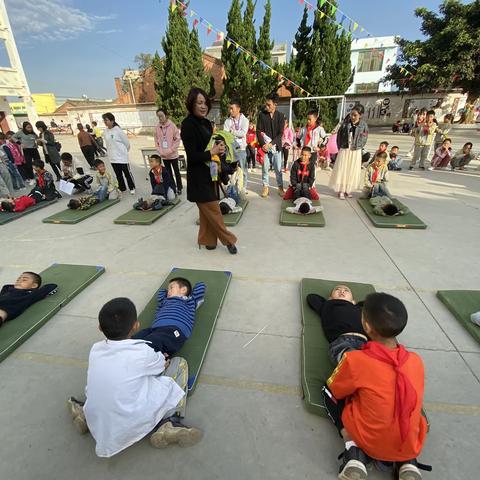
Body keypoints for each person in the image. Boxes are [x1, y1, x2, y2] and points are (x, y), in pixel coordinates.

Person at [67, 297, 202, 457]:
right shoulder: (142, 352)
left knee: (110, 382)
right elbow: (162, 364)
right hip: (132, 421)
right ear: (136, 326)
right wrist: (162, 361)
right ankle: (170, 422)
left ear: (99, 328)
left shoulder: (95, 349)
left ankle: (85, 414)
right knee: (179, 364)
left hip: (98, 420)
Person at [323, 293, 429, 480]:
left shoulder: (356, 360)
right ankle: (407, 463)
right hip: (409, 443)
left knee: (329, 390)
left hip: (369, 439)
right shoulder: (416, 361)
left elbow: (338, 389)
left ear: (367, 327)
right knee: (405, 402)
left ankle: (353, 450)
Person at [180, 87, 238, 254]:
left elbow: (210, 145)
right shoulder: (187, 125)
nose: (203, 106)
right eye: (199, 102)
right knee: (214, 210)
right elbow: (192, 156)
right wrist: (211, 152)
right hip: (198, 177)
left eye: (205, 102)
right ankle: (229, 241)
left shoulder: (206, 123)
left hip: (211, 173)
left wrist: (219, 148)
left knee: (206, 213)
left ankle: (209, 240)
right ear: (191, 104)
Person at [133, 277, 205, 355]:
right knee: (133, 340)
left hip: (175, 330)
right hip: (154, 329)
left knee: (154, 341)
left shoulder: (189, 301)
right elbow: (160, 294)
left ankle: (152, 359)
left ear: (183, 290)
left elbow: (201, 286)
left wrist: (188, 292)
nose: (168, 291)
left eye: (171, 288)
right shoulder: (164, 301)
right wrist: (168, 290)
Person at [306, 285, 367, 365]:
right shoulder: (327, 306)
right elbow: (312, 297)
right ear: (330, 298)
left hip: (367, 343)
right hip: (343, 341)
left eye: (346, 290)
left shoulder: (359, 309)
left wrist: (358, 304)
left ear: (353, 301)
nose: (342, 291)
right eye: (337, 289)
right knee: (350, 358)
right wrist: (328, 302)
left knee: (378, 359)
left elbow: (374, 305)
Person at [329, 105, 368, 199]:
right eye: (351, 114)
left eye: (355, 115)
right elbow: (339, 136)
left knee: (351, 170)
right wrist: (340, 147)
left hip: (355, 151)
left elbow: (364, 137)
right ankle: (341, 189)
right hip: (345, 149)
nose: (352, 117)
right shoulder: (345, 123)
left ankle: (348, 189)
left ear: (360, 115)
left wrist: (358, 147)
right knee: (343, 169)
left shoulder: (363, 125)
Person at [256, 92, 285, 198]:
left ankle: (280, 187)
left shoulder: (281, 116)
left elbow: (281, 133)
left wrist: (271, 144)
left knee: (278, 168)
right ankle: (265, 187)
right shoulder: (262, 115)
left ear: (275, 104)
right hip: (265, 148)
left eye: (269, 105)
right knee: (265, 167)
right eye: (266, 104)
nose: (266, 106)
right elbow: (258, 131)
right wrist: (263, 145)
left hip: (276, 147)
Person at [102, 112, 136, 194]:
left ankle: (132, 187)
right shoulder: (105, 131)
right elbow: (107, 144)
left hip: (122, 157)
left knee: (127, 173)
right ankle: (122, 188)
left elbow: (127, 144)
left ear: (112, 120)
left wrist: (123, 152)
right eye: (104, 120)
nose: (105, 122)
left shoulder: (118, 130)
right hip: (113, 158)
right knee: (118, 175)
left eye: (106, 120)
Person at [155, 108, 183, 195]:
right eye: (158, 117)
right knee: (168, 173)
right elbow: (156, 141)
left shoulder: (172, 126)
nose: (160, 118)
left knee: (176, 172)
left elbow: (177, 140)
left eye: (161, 116)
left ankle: (179, 187)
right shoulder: (157, 127)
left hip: (173, 155)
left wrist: (170, 150)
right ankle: (173, 187)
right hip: (164, 155)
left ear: (166, 116)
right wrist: (160, 151)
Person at [224, 99, 249, 193]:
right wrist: (232, 133)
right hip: (231, 149)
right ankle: (232, 187)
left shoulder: (245, 120)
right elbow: (225, 134)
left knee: (243, 169)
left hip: (241, 149)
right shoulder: (227, 121)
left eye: (232, 109)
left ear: (238, 109)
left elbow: (243, 133)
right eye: (229, 109)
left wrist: (232, 132)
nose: (230, 111)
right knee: (231, 169)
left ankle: (243, 188)